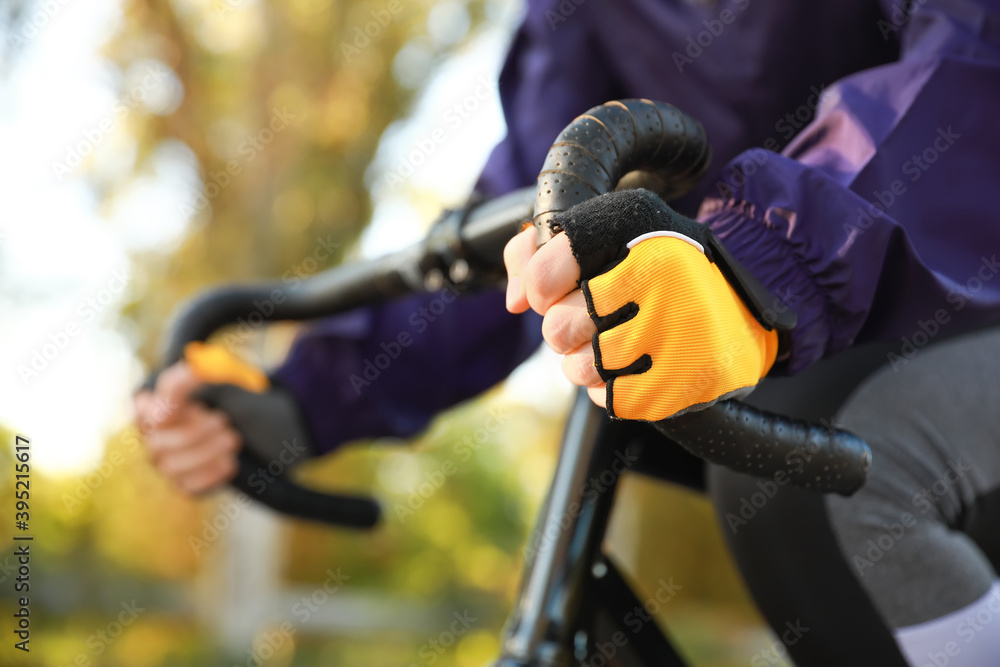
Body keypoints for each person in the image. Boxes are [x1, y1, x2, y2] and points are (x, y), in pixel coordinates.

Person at [136, 0, 1000, 664]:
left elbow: (964, 63)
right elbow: (532, 217)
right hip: (800, 330)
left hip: (962, 310)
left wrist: (770, 264)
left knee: (814, 479)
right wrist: (303, 399)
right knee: (630, 405)